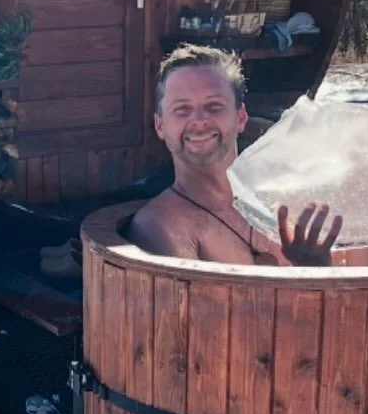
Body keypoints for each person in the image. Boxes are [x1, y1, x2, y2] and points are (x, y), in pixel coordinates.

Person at [129, 44, 343, 265]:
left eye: (214, 106)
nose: (200, 120)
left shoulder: (281, 202)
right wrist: (310, 273)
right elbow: (193, 299)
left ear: (240, 118)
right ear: (160, 126)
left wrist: (320, 269)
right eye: (182, 109)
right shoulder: (158, 225)